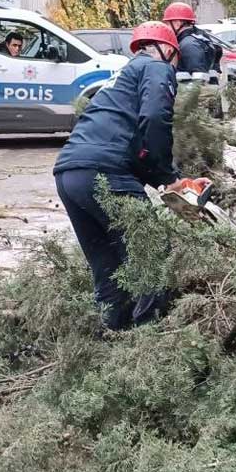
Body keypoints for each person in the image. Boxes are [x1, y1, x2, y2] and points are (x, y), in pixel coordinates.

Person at [53, 21, 203, 331]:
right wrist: (167, 175)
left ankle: (113, 345)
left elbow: (130, 145)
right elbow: (154, 119)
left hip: (69, 173)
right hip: (104, 172)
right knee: (151, 253)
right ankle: (148, 341)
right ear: (168, 51)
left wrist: (169, 181)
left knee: (107, 268)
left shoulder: (119, 80)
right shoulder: (157, 68)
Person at [162, 2, 223, 85]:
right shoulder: (197, 37)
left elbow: (197, 81)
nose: (167, 27)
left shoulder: (189, 46)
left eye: (168, 23)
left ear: (177, 23)